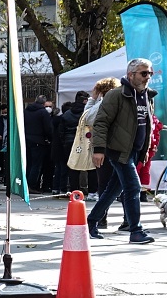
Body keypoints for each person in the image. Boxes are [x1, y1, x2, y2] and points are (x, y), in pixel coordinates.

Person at [87, 58, 156, 244]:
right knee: (133, 187)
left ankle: (91, 221)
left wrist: (147, 148)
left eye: (150, 73)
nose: (147, 77)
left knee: (112, 190)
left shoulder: (147, 95)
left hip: (135, 150)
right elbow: (101, 122)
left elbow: (147, 125)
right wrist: (99, 149)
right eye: (143, 73)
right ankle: (135, 230)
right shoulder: (116, 95)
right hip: (118, 150)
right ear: (131, 74)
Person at [66, 83, 108, 193]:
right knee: (93, 167)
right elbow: (89, 116)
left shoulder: (67, 113)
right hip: (94, 141)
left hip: (77, 141)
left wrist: (93, 98)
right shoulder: (102, 105)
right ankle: (93, 192)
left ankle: (74, 190)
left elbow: (88, 115)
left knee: (75, 165)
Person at [56, 91, 87, 192]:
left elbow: (61, 130)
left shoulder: (67, 113)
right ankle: (88, 189)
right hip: (82, 142)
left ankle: (74, 189)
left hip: (69, 142)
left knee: (72, 166)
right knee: (86, 166)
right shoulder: (86, 112)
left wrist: (64, 140)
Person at [23, 94, 54, 194]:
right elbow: (48, 128)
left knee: (29, 163)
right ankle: (32, 186)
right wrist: (50, 139)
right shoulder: (42, 112)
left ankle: (26, 184)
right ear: (44, 103)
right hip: (39, 141)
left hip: (27, 139)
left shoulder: (26, 111)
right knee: (36, 165)